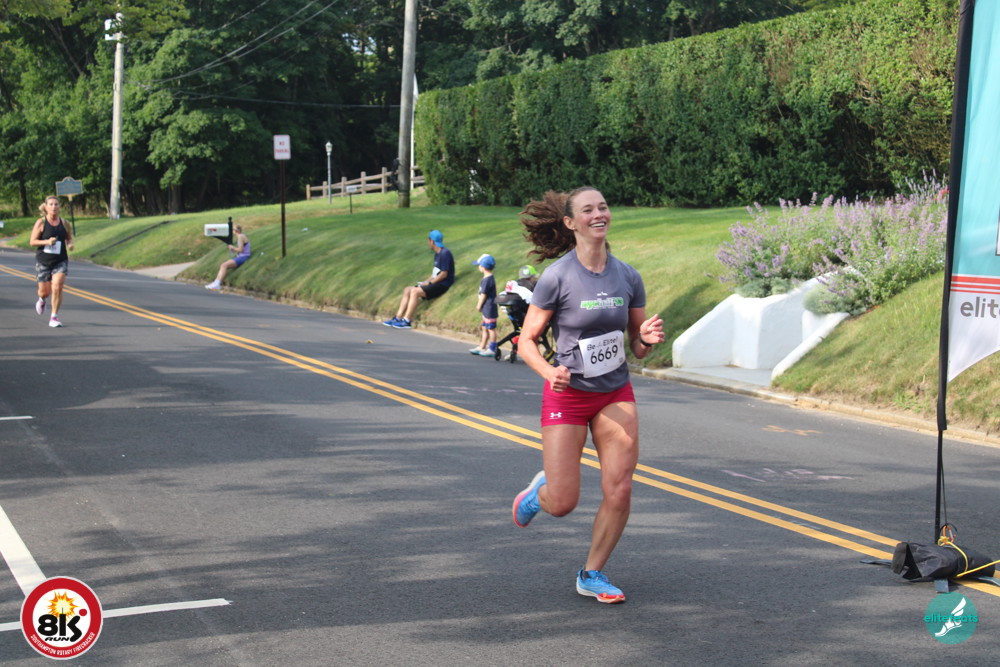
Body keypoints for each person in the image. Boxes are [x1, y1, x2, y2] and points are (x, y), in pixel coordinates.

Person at [511, 187, 665, 604]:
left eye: (603, 207)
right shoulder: (557, 277)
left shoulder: (627, 276)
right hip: (568, 395)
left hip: (614, 391)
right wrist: (550, 372)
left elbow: (637, 345)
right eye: (588, 210)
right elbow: (526, 340)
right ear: (570, 223)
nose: (599, 214)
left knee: (620, 489)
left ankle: (592, 573)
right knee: (563, 502)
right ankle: (539, 493)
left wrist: (646, 339)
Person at [383, 230, 455, 329]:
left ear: (431, 241)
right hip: (435, 283)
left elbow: (443, 274)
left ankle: (406, 320)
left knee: (415, 291)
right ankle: (398, 318)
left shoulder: (445, 253)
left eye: (428, 240)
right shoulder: (437, 254)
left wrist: (430, 283)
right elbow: (435, 273)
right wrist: (425, 282)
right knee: (407, 290)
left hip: (442, 285)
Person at [29, 195, 74, 328]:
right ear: (46, 207)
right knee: (44, 292)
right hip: (44, 261)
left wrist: (70, 244)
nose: (54, 207)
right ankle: (42, 300)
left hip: (60, 260)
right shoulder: (41, 223)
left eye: (56, 204)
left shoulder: (65, 223)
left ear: (60, 207)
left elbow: (69, 238)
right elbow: (32, 242)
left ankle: (54, 316)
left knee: (58, 286)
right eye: (51, 204)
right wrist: (47, 242)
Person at [469, 253, 498, 357]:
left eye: (479, 265)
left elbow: (483, 294)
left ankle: (492, 349)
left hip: (489, 308)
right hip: (486, 308)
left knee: (490, 328)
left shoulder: (487, 280)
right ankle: (482, 346)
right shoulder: (487, 278)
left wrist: (479, 305)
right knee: (485, 327)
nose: (479, 267)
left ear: (483, 267)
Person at [206, 224, 251, 290]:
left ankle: (217, 284)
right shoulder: (242, 236)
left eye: (232, 229)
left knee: (224, 265)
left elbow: (241, 250)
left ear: (236, 231)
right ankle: (216, 283)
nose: (232, 231)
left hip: (243, 257)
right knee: (223, 265)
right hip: (241, 256)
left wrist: (232, 248)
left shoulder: (240, 237)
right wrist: (233, 249)